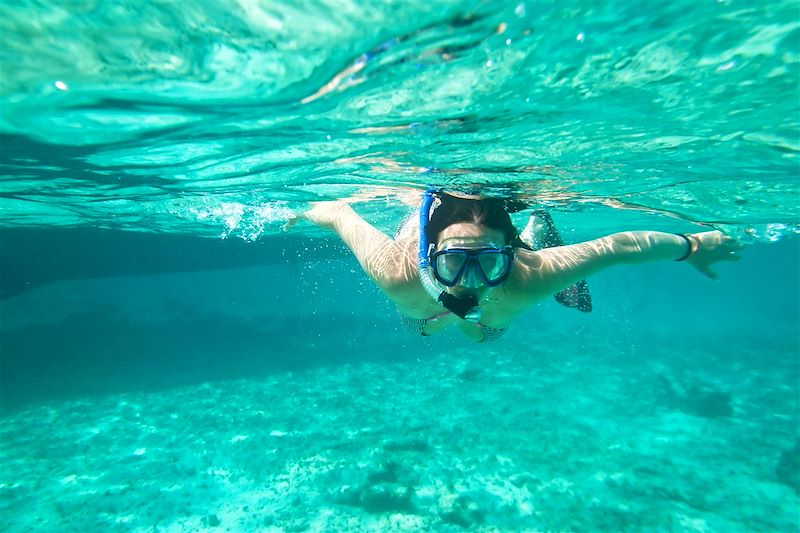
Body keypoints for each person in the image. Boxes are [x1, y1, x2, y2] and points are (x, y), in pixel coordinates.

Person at [286, 190, 743, 342]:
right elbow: (339, 212)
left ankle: (534, 232)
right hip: (424, 306)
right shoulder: (398, 271)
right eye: (453, 262)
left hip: (509, 276)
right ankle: (531, 235)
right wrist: (301, 212)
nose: (469, 281)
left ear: (509, 255)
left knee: (487, 333)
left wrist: (693, 245)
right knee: (422, 325)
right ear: (430, 257)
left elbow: (618, 246)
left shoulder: (528, 276)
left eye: (487, 263)